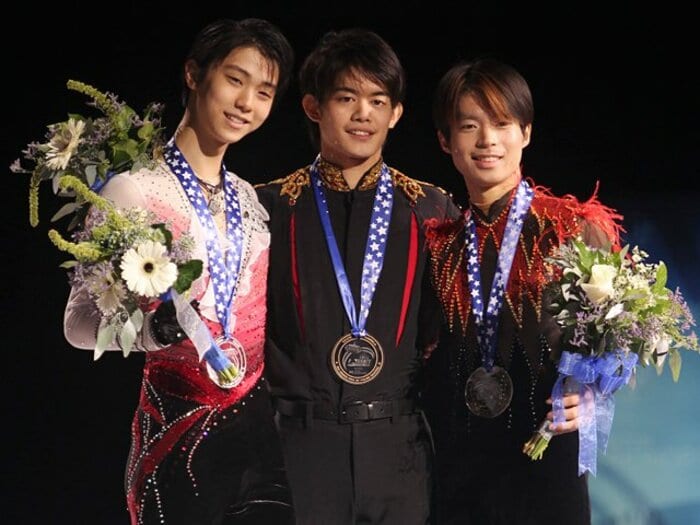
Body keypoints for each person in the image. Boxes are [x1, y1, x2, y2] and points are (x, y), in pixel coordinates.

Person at [63, 18, 296, 525]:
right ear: (194, 74)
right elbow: (78, 324)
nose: (246, 103)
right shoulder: (131, 191)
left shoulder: (250, 199)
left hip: (258, 435)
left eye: (264, 91)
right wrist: (152, 331)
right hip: (175, 432)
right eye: (234, 80)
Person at [255, 28, 460, 524]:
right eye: (346, 98)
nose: (363, 113)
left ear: (396, 114)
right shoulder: (270, 206)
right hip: (298, 448)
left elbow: (448, 327)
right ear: (313, 107)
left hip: (399, 447)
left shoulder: (430, 209)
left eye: (377, 99)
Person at [423, 57, 625, 524]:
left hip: (547, 455)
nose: (487, 140)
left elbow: (617, 337)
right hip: (461, 464)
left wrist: (597, 390)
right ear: (445, 141)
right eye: (469, 126)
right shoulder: (440, 244)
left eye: (502, 123)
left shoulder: (572, 228)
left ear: (526, 132)